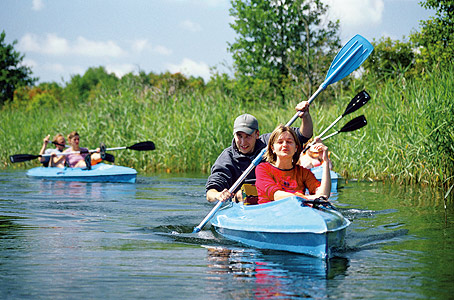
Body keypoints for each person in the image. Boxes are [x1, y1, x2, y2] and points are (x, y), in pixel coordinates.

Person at [205, 101, 313, 203]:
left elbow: (304, 135)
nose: (243, 142)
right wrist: (218, 195)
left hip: (277, 194)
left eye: (248, 136)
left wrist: (305, 116)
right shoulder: (227, 159)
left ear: (257, 134)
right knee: (243, 193)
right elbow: (211, 191)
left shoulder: (270, 142)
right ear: (234, 134)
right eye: (239, 136)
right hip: (245, 201)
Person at [255, 125, 331, 204]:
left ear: (296, 148)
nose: (285, 145)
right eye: (280, 142)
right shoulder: (262, 169)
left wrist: (325, 161)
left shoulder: (303, 172)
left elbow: (323, 195)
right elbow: (276, 195)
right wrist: (305, 198)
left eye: (289, 142)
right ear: (272, 148)